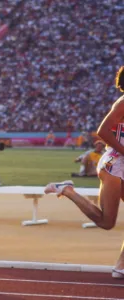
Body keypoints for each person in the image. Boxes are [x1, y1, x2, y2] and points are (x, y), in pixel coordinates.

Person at [44, 66, 124, 279]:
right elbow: (102, 131)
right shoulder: (123, 102)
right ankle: (68, 190)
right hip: (115, 166)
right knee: (107, 222)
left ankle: (121, 266)